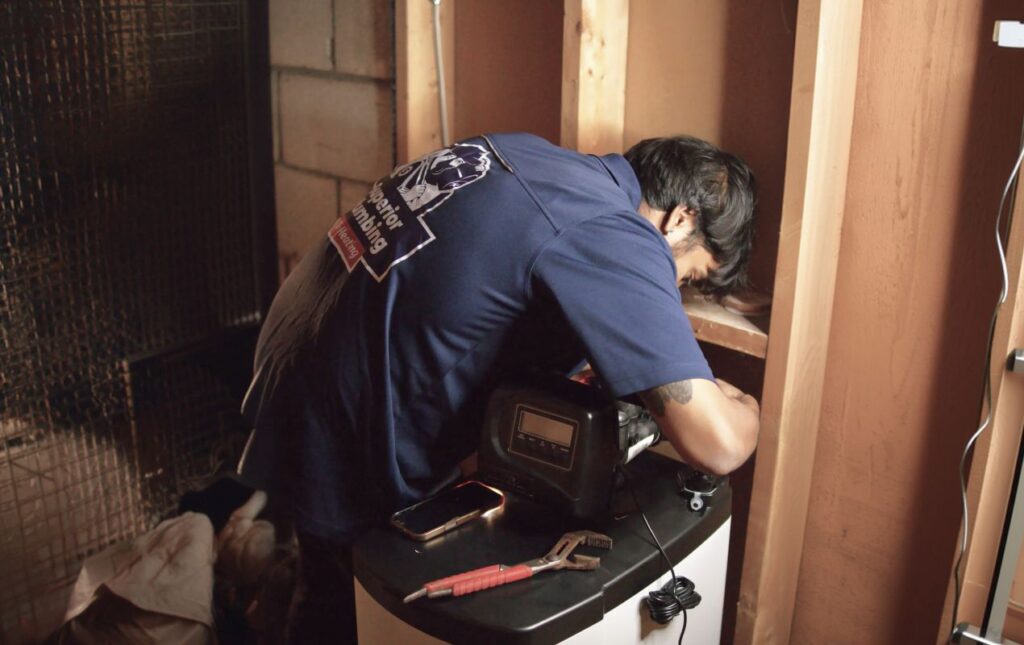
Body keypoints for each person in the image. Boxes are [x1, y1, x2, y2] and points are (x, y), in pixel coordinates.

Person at [238, 132, 761, 643]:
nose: (675, 290)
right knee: (342, 611)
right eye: (689, 277)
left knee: (325, 581)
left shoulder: (522, 152)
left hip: (293, 357)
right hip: (343, 422)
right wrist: (744, 405)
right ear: (681, 220)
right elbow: (717, 445)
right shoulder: (616, 229)